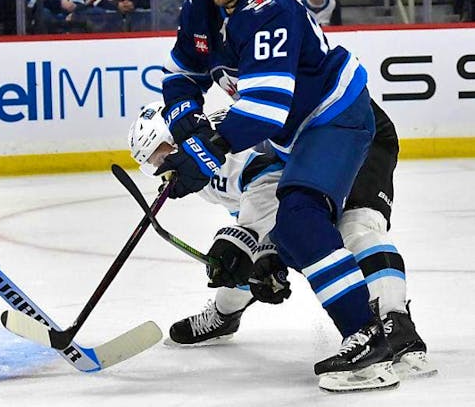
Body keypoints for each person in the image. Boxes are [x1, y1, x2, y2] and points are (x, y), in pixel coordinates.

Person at [158, 0, 393, 392]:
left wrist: (201, 154)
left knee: (302, 220)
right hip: (290, 134)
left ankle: (368, 339)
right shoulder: (199, 4)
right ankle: (360, 332)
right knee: (283, 228)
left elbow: (265, 110)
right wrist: (186, 127)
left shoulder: (270, 6)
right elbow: (180, 76)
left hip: (333, 115)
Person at [127, 100, 436, 379]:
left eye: (160, 156)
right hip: (312, 152)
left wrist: (246, 240)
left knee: (355, 228)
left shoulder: (225, 149)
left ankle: (395, 321)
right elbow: (264, 215)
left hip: (350, 128)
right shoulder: (203, 175)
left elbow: (269, 181)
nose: (159, 169)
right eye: (151, 164)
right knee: (258, 249)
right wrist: (261, 253)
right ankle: (225, 315)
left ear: (177, 142)